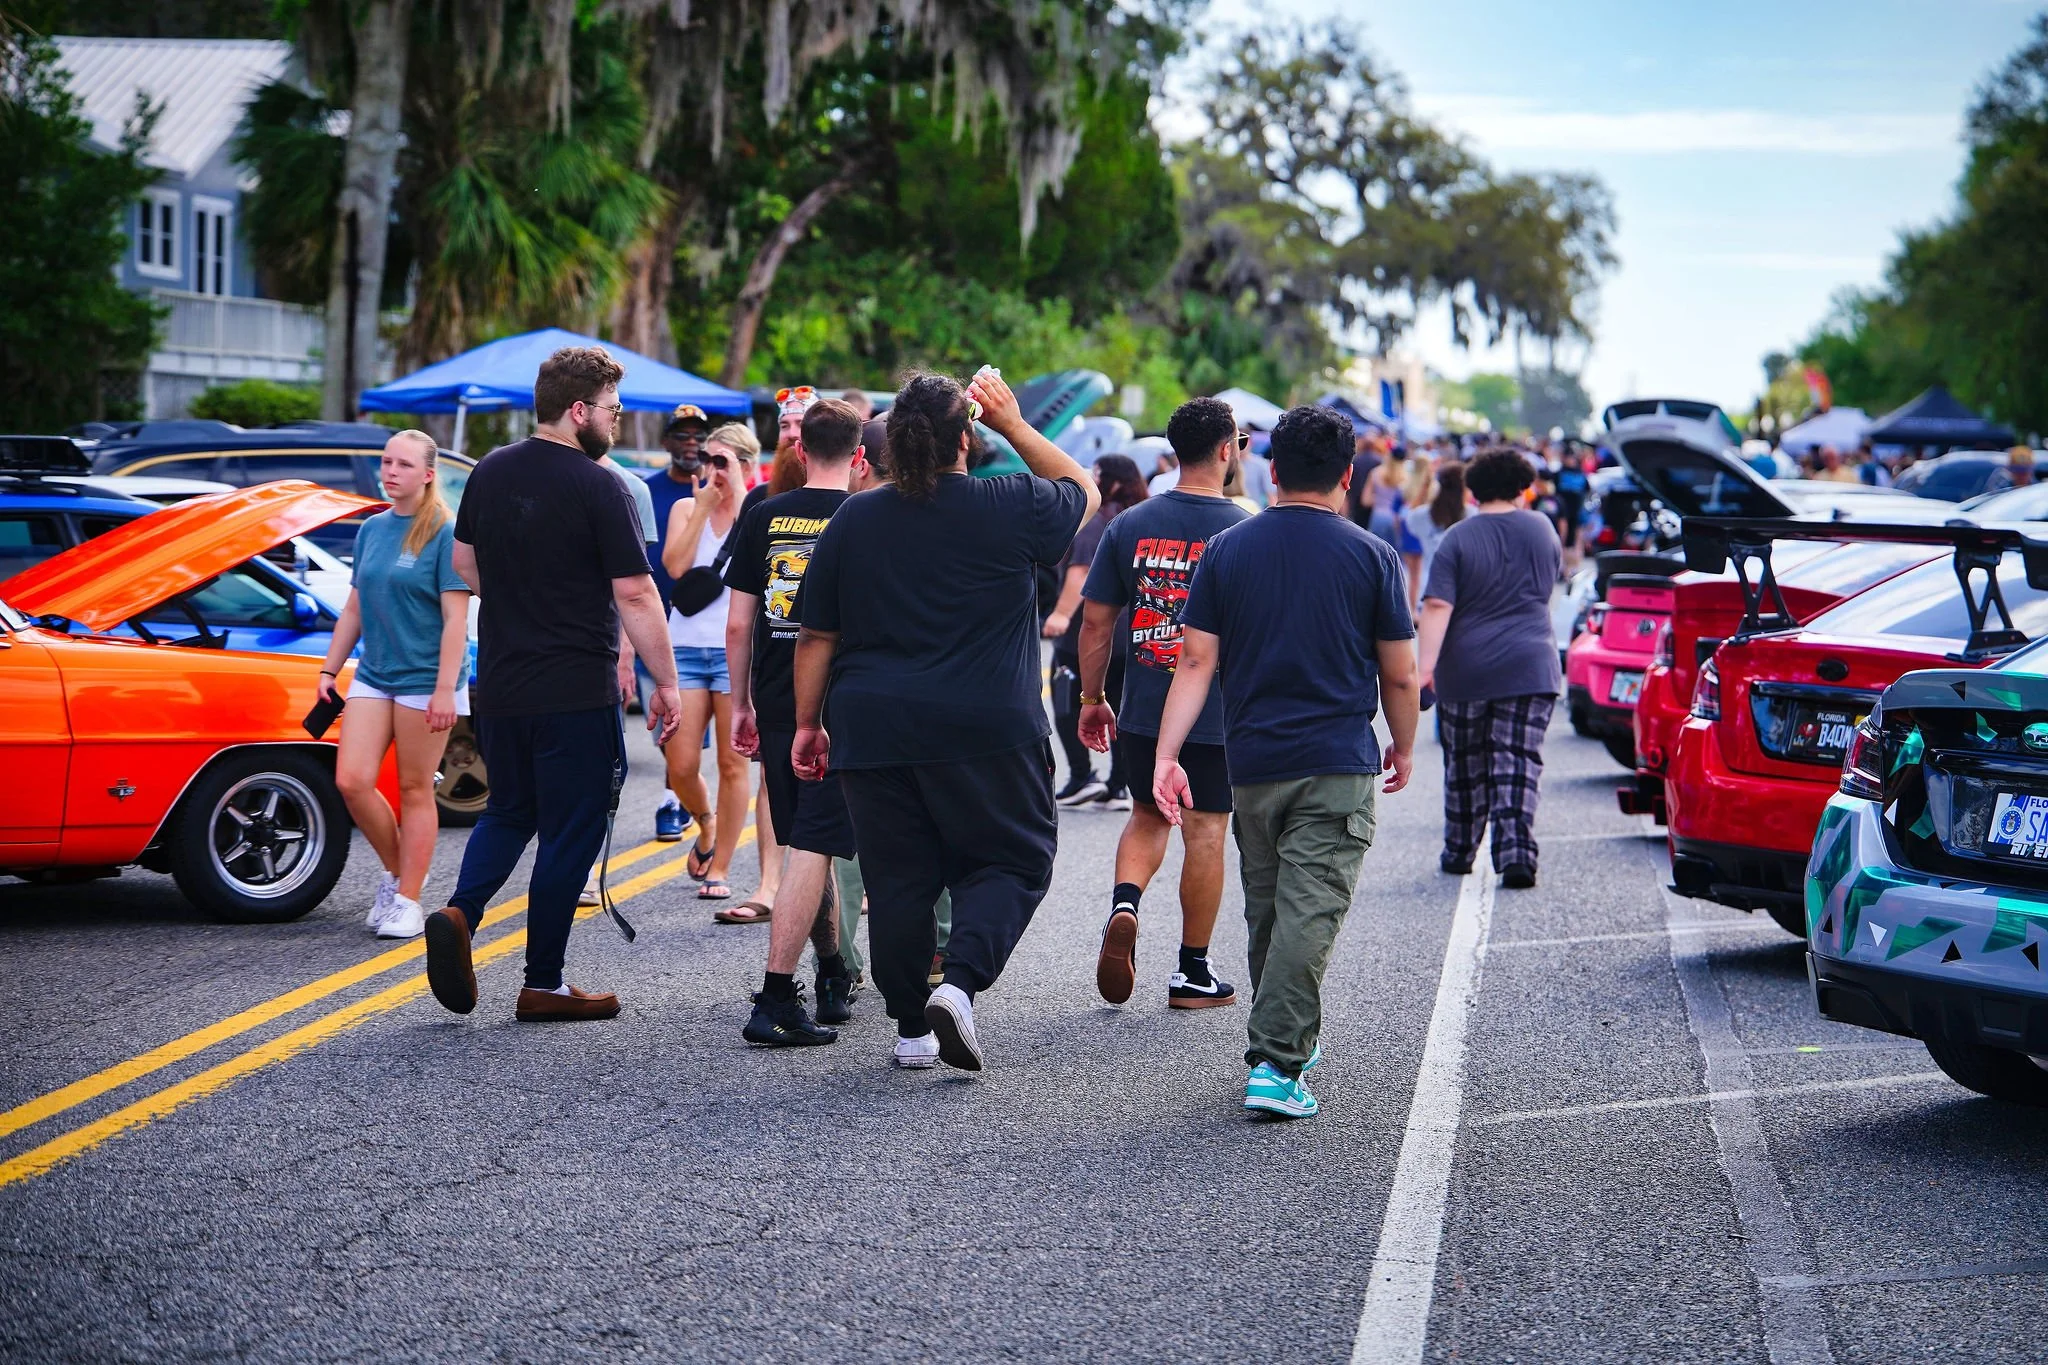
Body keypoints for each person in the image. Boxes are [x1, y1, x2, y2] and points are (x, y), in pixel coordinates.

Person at [792, 369, 1099, 1072]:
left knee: (900, 877)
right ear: (968, 438)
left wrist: (808, 723)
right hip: (987, 725)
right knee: (1014, 859)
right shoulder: (1010, 501)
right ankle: (956, 985)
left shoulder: (854, 517)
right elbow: (1085, 492)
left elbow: (817, 636)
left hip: (872, 727)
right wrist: (1015, 423)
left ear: (894, 441)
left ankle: (910, 1030)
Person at [1150, 403, 1419, 1120]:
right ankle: (1276, 1062)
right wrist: (1406, 742)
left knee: (1272, 909)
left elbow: (1195, 660)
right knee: (1309, 911)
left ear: (1272, 470)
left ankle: (1285, 1037)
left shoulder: (1229, 550)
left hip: (1253, 762)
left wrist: (1167, 752)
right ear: (1347, 474)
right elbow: (1400, 675)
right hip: (1335, 759)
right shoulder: (1372, 556)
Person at [423, 345, 682, 1024]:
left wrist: (524, 596)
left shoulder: (489, 473)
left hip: (503, 683)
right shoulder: (601, 484)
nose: (617, 422)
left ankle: (461, 910)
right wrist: (668, 682)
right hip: (575, 686)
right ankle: (544, 980)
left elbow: (464, 563)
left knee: (510, 810)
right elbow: (635, 592)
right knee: (571, 828)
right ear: (578, 411)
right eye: (612, 410)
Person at [1077, 398, 1250, 1010]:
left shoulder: (1130, 524)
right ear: (1228, 449)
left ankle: (1125, 905)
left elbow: (1095, 622)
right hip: (1216, 710)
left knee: (1147, 815)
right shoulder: (1246, 525)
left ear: (1173, 451)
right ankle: (1192, 973)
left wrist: (1093, 697)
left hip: (1144, 705)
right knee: (1205, 831)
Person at [726, 398, 871, 1046]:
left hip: (781, 703)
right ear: (860, 455)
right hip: (843, 709)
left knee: (807, 843)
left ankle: (835, 972)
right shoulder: (864, 516)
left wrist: (740, 704)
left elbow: (738, 622)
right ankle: (777, 995)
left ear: (800, 449)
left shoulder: (762, 515)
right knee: (814, 848)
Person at [320, 430, 472, 940]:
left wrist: (446, 690)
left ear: (428, 474)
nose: (390, 472)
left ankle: (407, 899)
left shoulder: (446, 532)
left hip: (426, 679)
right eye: (386, 462)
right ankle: (399, 873)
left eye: (403, 465)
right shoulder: (372, 529)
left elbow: (457, 620)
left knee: (413, 788)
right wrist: (328, 669)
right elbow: (356, 607)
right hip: (375, 673)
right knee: (352, 781)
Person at [1415, 450, 1563, 890]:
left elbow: (1438, 605)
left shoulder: (1458, 538)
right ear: (1522, 486)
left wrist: (1425, 669)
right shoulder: (1542, 529)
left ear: (1473, 490)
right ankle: (1516, 851)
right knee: (1518, 760)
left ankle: (1460, 850)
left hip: (1466, 670)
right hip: (1531, 665)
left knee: (1465, 764)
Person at [659, 422, 756, 908]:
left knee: (733, 764)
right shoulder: (684, 507)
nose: (711, 469)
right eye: (707, 460)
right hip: (684, 649)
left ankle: (720, 865)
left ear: (744, 464)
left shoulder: (759, 510)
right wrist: (700, 509)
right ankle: (706, 822)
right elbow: (674, 568)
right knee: (680, 765)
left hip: (735, 651)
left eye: (722, 461)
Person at [1047, 454, 1147, 810]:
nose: (1093, 478)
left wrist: (1060, 614)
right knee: (1120, 708)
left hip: (1085, 635)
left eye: (1099, 473)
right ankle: (1119, 783)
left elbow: (1081, 572)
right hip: (1131, 633)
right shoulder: (1140, 518)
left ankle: (1081, 775)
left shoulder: (1096, 520)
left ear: (1115, 481)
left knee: (1064, 703)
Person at [644, 404, 713, 842]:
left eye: (698, 436)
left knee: (688, 726)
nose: (691, 443)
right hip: (650, 618)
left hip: (700, 623)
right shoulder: (645, 491)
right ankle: (683, 799)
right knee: (665, 720)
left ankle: (676, 800)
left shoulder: (715, 488)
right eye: (682, 435)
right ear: (666, 441)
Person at [1400, 462, 1467, 609]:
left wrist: (1423, 490)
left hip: (1431, 587)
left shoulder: (1423, 515)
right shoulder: (1472, 515)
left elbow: (1409, 517)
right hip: (1464, 590)